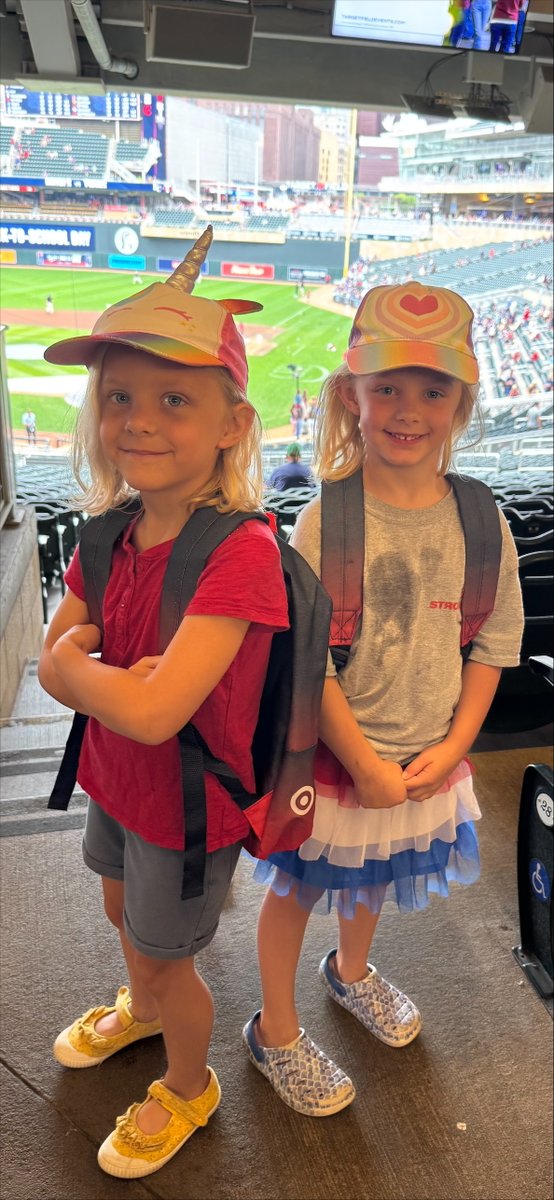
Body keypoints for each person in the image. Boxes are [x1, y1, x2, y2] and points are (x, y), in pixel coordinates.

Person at [37, 227, 289, 1179]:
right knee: (119, 911)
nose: (138, 421)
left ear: (232, 423)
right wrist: (100, 678)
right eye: (119, 397)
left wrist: (83, 675)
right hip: (115, 779)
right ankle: (141, 1008)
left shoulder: (242, 551)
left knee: (165, 955)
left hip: (187, 807)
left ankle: (188, 1082)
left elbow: (151, 710)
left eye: (173, 399)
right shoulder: (110, 532)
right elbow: (55, 662)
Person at [242, 281, 524, 1116]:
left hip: (425, 755)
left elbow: (492, 644)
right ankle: (276, 1030)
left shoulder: (483, 519)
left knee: (370, 876)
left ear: (460, 403)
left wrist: (454, 744)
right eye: (388, 386)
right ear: (350, 397)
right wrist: (363, 762)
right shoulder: (324, 522)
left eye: (433, 390)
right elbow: (308, 664)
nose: (409, 409)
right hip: (333, 757)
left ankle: (351, 970)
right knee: (297, 890)